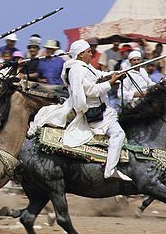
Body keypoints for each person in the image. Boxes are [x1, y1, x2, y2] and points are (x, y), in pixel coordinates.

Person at [28, 39, 130, 181]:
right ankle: (110, 170)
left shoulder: (82, 67)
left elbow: (99, 74)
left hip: (101, 107)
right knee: (118, 134)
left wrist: (117, 73)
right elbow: (91, 91)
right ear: (81, 54)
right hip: (94, 110)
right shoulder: (78, 70)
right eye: (88, 52)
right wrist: (111, 83)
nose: (91, 54)